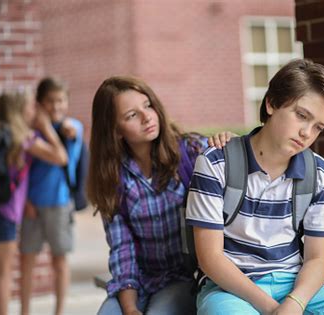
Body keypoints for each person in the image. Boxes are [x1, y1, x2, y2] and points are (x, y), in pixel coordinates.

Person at [186, 59, 324, 315]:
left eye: (318, 127)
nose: (307, 133)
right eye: (301, 115)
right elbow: (210, 259)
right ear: (272, 103)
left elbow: (317, 259)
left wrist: (294, 303)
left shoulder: (320, 173)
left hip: (295, 285)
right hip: (230, 288)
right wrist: (273, 309)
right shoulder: (216, 163)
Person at [89, 75, 232, 315]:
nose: (147, 117)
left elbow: (243, 166)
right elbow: (123, 251)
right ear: (115, 130)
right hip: (141, 281)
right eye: (132, 115)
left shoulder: (191, 151)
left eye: (148, 105)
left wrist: (232, 143)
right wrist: (130, 308)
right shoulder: (113, 179)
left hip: (186, 278)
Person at [0, 90, 68, 315]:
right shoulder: (22, 137)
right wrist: (45, 127)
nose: (35, 111)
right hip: (5, 211)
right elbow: (61, 157)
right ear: (20, 109)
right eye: (31, 107)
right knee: (4, 270)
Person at [19, 77, 84, 315]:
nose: (56, 106)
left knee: (60, 260)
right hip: (32, 204)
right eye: (50, 101)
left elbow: (66, 159)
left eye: (61, 100)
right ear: (39, 103)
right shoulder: (29, 133)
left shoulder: (73, 128)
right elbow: (21, 170)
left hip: (60, 204)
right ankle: (24, 311)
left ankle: (59, 312)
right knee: (27, 259)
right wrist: (25, 200)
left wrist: (49, 128)